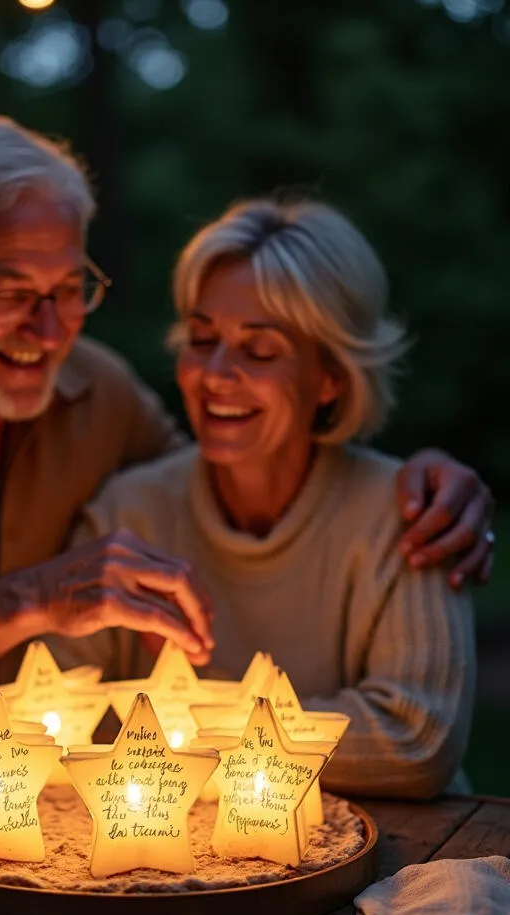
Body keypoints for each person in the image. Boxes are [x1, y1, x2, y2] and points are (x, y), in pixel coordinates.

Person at [0, 114, 492, 823]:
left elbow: (222, 475)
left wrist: (423, 472)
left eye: (71, 289)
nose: (50, 331)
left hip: (5, 809)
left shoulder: (102, 396)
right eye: (11, 292)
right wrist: (31, 600)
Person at [48, 197, 480, 800]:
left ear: (332, 375)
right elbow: (48, 712)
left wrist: (179, 731)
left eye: (260, 351)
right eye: (202, 339)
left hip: (406, 866)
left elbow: (413, 742)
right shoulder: (131, 513)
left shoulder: (409, 516)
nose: (217, 373)